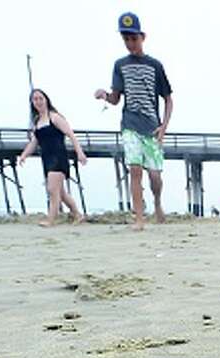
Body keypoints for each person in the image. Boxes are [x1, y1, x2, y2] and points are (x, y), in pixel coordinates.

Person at [94, 12, 173, 230]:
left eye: (133, 38)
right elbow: (116, 98)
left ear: (143, 37)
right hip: (130, 125)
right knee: (135, 170)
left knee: (155, 176)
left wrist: (164, 127)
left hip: (152, 126)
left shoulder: (155, 65)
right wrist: (105, 95)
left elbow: (168, 99)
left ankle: (157, 202)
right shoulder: (120, 65)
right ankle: (139, 218)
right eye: (126, 39)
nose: (130, 43)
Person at [18, 88, 88, 226]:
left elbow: (71, 134)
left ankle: (51, 219)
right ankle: (78, 215)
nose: (38, 101)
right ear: (32, 103)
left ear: (46, 100)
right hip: (46, 158)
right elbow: (34, 142)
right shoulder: (37, 121)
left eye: (40, 98)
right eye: (35, 99)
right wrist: (24, 155)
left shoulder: (54, 117)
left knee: (52, 189)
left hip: (58, 157)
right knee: (61, 193)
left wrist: (79, 152)